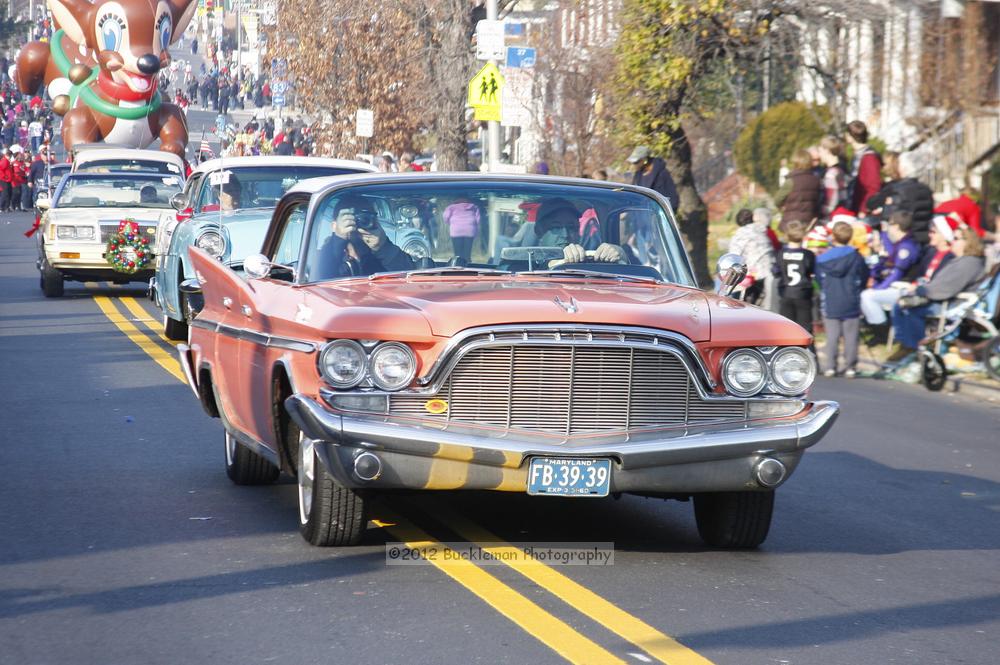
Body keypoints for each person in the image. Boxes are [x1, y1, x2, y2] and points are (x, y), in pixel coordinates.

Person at [888, 228, 986, 362]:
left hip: (952, 304)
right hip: (944, 300)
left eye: (956, 239)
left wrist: (921, 290)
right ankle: (909, 345)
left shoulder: (969, 263)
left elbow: (945, 288)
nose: (952, 242)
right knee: (901, 303)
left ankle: (912, 347)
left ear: (968, 243)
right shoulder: (962, 260)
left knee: (908, 308)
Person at [816, 222, 869, 377]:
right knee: (851, 335)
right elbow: (864, 275)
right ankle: (850, 366)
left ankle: (831, 366)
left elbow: (819, 279)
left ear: (833, 236)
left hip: (831, 298)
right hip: (850, 298)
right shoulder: (856, 256)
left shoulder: (822, 259)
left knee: (832, 335)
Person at [317, 196, 415, 279]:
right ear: (334, 226)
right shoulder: (327, 256)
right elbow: (318, 279)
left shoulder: (383, 258)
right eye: (352, 217)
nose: (359, 222)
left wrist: (383, 247)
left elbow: (409, 279)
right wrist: (338, 240)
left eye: (366, 217)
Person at [859, 210, 921, 335]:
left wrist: (879, 288)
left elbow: (897, 273)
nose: (888, 228)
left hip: (905, 288)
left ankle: (880, 328)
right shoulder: (899, 244)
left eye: (890, 224)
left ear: (897, 226)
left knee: (867, 296)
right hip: (896, 285)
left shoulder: (906, 246)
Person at [865, 152, 934, 244]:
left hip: (904, 240)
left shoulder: (897, 189)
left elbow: (890, 216)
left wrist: (883, 210)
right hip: (923, 238)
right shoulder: (926, 190)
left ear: (903, 168)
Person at [533, 198, 626, 265]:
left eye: (571, 227)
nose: (565, 235)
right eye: (556, 227)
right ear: (539, 231)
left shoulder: (592, 263)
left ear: (578, 233)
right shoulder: (524, 265)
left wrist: (620, 254)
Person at [775, 219, 816, 333]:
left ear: (787, 235)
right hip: (803, 293)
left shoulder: (780, 253)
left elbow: (775, 271)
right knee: (805, 329)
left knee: (786, 329)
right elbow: (812, 271)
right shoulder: (808, 254)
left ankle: (787, 351)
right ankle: (808, 351)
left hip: (786, 293)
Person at [728, 208, 776, 305]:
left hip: (753, 274)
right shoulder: (764, 230)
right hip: (770, 269)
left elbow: (734, 257)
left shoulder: (740, 235)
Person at [775, 149, 822, 230]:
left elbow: (777, 200)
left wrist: (782, 207)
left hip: (791, 223)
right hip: (809, 222)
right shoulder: (816, 180)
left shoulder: (791, 181)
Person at [844, 120, 882, 215]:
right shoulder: (857, 155)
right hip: (854, 204)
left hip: (862, 209)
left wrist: (864, 209)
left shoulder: (869, 157)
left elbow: (873, 187)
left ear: (850, 135)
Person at [628, 145, 678, 213]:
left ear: (645, 160)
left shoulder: (662, 173)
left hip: (660, 214)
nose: (634, 165)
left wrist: (666, 214)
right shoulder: (638, 175)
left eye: (636, 162)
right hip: (643, 215)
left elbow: (672, 198)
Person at [817, 135, 847, 218]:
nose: (819, 154)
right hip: (842, 212)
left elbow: (831, 199)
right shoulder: (842, 169)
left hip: (831, 216)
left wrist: (823, 211)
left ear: (827, 150)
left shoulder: (831, 174)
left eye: (820, 151)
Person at [443, 197, 480, 263]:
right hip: (469, 230)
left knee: (457, 253)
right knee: (467, 253)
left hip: (456, 230)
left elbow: (446, 217)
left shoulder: (451, 207)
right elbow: (478, 219)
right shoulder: (474, 207)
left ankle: (458, 266)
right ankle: (468, 266)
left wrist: (451, 223)